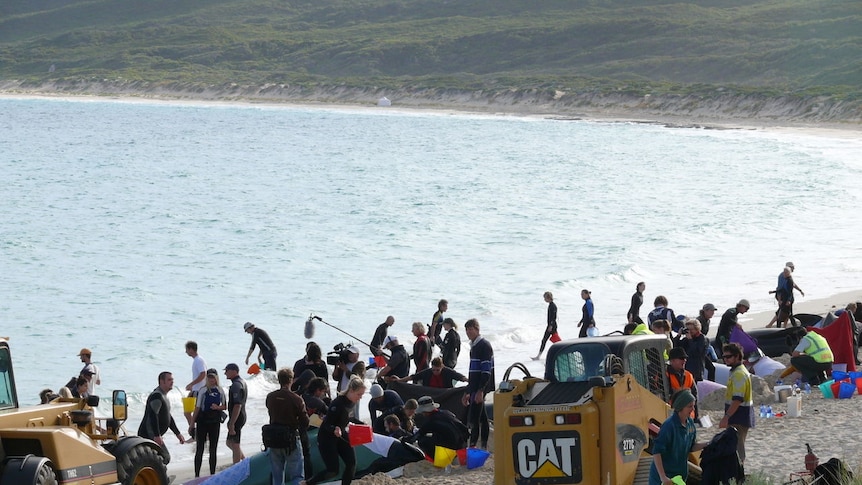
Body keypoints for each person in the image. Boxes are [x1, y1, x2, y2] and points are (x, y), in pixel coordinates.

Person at [306, 375, 367, 485]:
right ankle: (307, 483)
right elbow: (327, 424)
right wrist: (334, 429)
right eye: (359, 394)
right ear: (351, 391)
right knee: (333, 471)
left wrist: (362, 424)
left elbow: (348, 418)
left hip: (340, 434)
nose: (360, 398)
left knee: (351, 463)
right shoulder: (337, 404)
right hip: (327, 438)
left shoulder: (352, 402)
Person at [649, 389, 706, 485]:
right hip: (664, 479)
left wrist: (707, 444)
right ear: (680, 407)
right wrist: (663, 477)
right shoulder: (669, 426)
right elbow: (657, 452)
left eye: (693, 406)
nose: (693, 409)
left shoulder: (690, 424)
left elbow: (691, 447)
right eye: (689, 406)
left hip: (679, 477)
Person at [265, 368, 309, 485]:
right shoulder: (297, 399)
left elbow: (271, 412)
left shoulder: (270, 397)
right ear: (291, 380)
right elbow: (305, 421)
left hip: (273, 437)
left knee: (277, 475)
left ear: (279, 380)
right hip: (291, 437)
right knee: (296, 475)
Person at [719, 343, 754, 466]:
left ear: (738, 356)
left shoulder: (739, 374)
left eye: (728, 357)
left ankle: (740, 474)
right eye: (724, 356)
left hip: (739, 415)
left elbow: (737, 399)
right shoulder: (735, 371)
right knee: (736, 447)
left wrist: (726, 417)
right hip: (738, 415)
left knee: (738, 448)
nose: (725, 359)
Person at [138, 372, 186, 462]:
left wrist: (177, 433)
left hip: (154, 435)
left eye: (172, 380)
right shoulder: (157, 395)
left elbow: (168, 417)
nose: (172, 382)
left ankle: (157, 475)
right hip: (149, 434)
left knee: (159, 459)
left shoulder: (164, 396)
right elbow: (153, 414)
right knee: (164, 457)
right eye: (169, 380)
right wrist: (156, 435)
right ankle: (158, 475)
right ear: (162, 381)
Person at [189, 369, 226, 477]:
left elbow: (225, 406)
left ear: (216, 378)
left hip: (215, 422)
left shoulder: (220, 390)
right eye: (209, 378)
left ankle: (212, 474)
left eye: (213, 378)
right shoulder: (203, 390)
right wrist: (192, 423)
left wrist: (217, 407)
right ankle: (197, 475)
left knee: (213, 448)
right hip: (202, 421)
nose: (211, 380)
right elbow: (198, 407)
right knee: (200, 448)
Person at [462, 318, 493, 449]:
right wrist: (467, 392)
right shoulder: (473, 347)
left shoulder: (484, 345)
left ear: (477, 329)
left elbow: (486, 371)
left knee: (475, 416)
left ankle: (473, 445)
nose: (468, 332)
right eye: (467, 330)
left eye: (471, 329)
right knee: (482, 417)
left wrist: (481, 390)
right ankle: (484, 445)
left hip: (481, 385)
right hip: (475, 386)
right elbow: (472, 372)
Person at [675, 318, 715, 383]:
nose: (690, 331)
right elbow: (676, 347)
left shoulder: (703, 339)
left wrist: (690, 340)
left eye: (691, 329)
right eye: (688, 329)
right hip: (686, 367)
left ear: (697, 329)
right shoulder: (687, 339)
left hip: (696, 369)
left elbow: (698, 352)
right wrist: (678, 335)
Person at [389, 356, 467, 388]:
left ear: (442, 367)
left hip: (445, 393)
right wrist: (399, 380)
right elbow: (413, 377)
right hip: (430, 392)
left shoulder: (448, 372)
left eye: (438, 370)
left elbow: (460, 377)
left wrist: (468, 380)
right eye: (433, 370)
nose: (435, 372)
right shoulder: (428, 372)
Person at [224, 362, 248, 464]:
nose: (225, 373)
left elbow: (237, 405)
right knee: (229, 442)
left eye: (227, 371)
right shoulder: (241, 382)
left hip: (238, 416)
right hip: (238, 416)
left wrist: (232, 423)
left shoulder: (236, 385)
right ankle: (245, 461)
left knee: (235, 444)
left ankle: (237, 467)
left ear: (234, 371)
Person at [768, 264, 805, 328]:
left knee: (786, 314)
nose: (794, 269)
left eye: (785, 272)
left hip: (787, 299)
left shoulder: (789, 279)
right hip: (783, 298)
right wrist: (777, 297)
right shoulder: (782, 277)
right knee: (784, 313)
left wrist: (789, 300)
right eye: (793, 267)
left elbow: (790, 289)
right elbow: (781, 289)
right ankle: (787, 327)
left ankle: (780, 327)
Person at [666, 347, 699, 419]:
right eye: (681, 358)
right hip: (672, 415)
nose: (684, 361)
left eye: (685, 358)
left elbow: (694, 395)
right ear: (672, 361)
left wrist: (696, 415)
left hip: (688, 417)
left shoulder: (689, 375)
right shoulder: (664, 375)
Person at [184, 341, 207, 429]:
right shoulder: (196, 360)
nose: (186, 352)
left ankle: (196, 433)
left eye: (186, 349)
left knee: (193, 413)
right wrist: (192, 388)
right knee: (187, 412)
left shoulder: (199, 360)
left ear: (191, 349)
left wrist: (191, 384)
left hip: (199, 391)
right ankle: (194, 432)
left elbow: (203, 374)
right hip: (195, 390)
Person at [534, 291, 558, 360]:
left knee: (545, 340)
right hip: (552, 325)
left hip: (552, 326)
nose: (544, 299)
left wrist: (550, 326)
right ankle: (560, 352)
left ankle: (538, 356)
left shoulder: (552, 306)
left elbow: (554, 317)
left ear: (548, 298)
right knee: (556, 341)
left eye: (545, 298)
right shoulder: (551, 305)